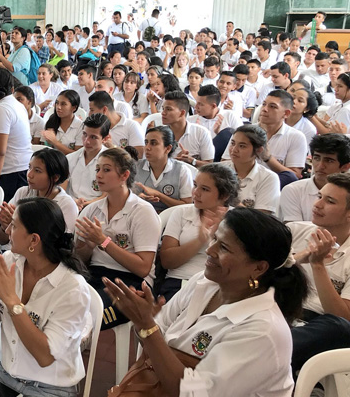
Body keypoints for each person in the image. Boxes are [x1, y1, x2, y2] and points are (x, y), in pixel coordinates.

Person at [104, 207, 305, 396]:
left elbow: (191, 392)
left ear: (259, 268)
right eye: (215, 238)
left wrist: (146, 325)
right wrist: (146, 325)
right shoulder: (204, 282)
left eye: (224, 247)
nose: (210, 250)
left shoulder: (264, 331)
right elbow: (153, 342)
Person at [0, 198, 90, 397]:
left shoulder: (73, 288)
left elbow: (44, 357)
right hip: (6, 375)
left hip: (50, 388)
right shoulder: (11, 263)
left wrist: (12, 301)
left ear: (34, 240)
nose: (8, 230)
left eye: (14, 225)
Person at [76, 147, 161, 329]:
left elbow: (143, 268)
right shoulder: (92, 209)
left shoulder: (142, 211)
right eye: (97, 169)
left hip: (132, 283)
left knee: (89, 317)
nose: (99, 175)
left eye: (107, 170)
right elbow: (81, 259)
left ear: (124, 175)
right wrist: (87, 246)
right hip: (96, 273)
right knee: (63, 304)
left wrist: (103, 241)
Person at [288, 173, 350, 372]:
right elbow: (262, 272)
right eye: (319, 197)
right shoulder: (294, 230)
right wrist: (300, 257)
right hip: (282, 308)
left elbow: (342, 317)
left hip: (318, 324)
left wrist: (317, 266)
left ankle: (267, 352)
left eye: (329, 201)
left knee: (338, 328)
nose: (318, 205)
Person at [158, 163, 238, 300]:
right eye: (195, 185)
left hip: (219, 286)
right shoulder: (181, 213)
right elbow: (167, 261)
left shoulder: (237, 219)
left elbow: (238, 265)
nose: (196, 193)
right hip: (180, 282)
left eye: (205, 189)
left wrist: (217, 238)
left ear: (224, 195)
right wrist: (200, 240)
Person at [0, 148, 78, 247]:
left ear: (55, 177)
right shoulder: (23, 192)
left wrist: (16, 225)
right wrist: (5, 226)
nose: (29, 174)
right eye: (29, 167)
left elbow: (57, 248)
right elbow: (1, 240)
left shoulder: (66, 205)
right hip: (12, 253)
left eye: (37, 171)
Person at [222, 90, 307, 184]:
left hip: (273, 185)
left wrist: (268, 158)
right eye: (264, 104)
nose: (264, 109)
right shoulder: (244, 131)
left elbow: (293, 176)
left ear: (286, 113)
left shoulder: (296, 137)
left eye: (272, 107)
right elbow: (226, 161)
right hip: (238, 181)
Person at [0, 69, 32, 202]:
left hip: (11, 173)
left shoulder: (2, 109)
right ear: (12, 87)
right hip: (19, 169)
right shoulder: (15, 105)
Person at [281, 134, 350, 222]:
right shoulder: (293, 190)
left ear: (345, 166)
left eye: (329, 160)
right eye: (317, 158)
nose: (320, 166)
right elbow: (295, 231)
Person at [132, 125, 194, 212]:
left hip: (172, 220)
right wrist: (137, 198)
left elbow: (187, 205)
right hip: (140, 216)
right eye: (146, 143)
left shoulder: (181, 170)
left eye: (153, 143)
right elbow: (124, 197)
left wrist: (158, 195)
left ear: (168, 148)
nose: (147, 148)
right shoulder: (135, 167)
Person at [223, 125, 281, 214]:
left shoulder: (268, 178)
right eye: (233, 143)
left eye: (242, 146)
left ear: (258, 150)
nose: (234, 150)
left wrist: (235, 202)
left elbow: (261, 219)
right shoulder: (217, 170)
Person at [160, 90, 214, 169]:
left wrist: (192, 161)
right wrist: (174, 162)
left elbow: (210, 165)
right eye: (163, 108)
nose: (163, 113)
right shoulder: (160, 134)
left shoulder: (201, 132)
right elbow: (152, 163)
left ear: (182, 113)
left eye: (168, 109)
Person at [67, 113, 110, 210]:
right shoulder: (71, 158)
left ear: (105, 138)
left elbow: (107, 196)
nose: (87, 141)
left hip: (99, 208)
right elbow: (61, 189)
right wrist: (73, 202)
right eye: (84, 135)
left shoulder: (111, 162)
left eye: (93, 137)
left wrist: (86, 205)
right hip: (71, 205)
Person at [188, 85, 243, 159]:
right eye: (196, 103)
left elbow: (241, 139)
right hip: (197, 159)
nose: (196, 107)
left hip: (224, 159)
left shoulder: (230, 116)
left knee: (227, 133)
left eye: (200, 104)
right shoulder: (190, 121)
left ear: (213, 106)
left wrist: (219, 135)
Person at [88, 91, 145, 157]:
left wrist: (113, 148)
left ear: (104, 110)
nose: (89, 114)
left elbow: (139, 156)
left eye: (92, 110)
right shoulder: (95, 129)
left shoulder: (132, 126)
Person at [36, 90, 83, 154]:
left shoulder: (80, 126)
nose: (58, 107)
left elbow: (77, 155)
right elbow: (43, 149)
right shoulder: (51, 122)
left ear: (74, 108)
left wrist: (55, 142)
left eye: (63, 104)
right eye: (57, 103)